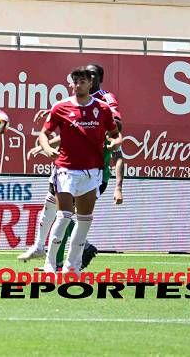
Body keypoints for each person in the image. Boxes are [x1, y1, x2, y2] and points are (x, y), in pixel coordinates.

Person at [19, 63, 125, 267]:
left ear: (96, 80)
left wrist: (118, 185)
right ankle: (47, 256)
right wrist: (46, 145)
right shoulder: (64, 106)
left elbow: (115, 131)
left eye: (87, 78)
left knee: (76, 217)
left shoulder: (105, 103)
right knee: (58, 209)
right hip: (66, 168)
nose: (79, 84)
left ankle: (69, 262)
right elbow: (73, 130)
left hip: (94, 171)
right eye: (75, 80)